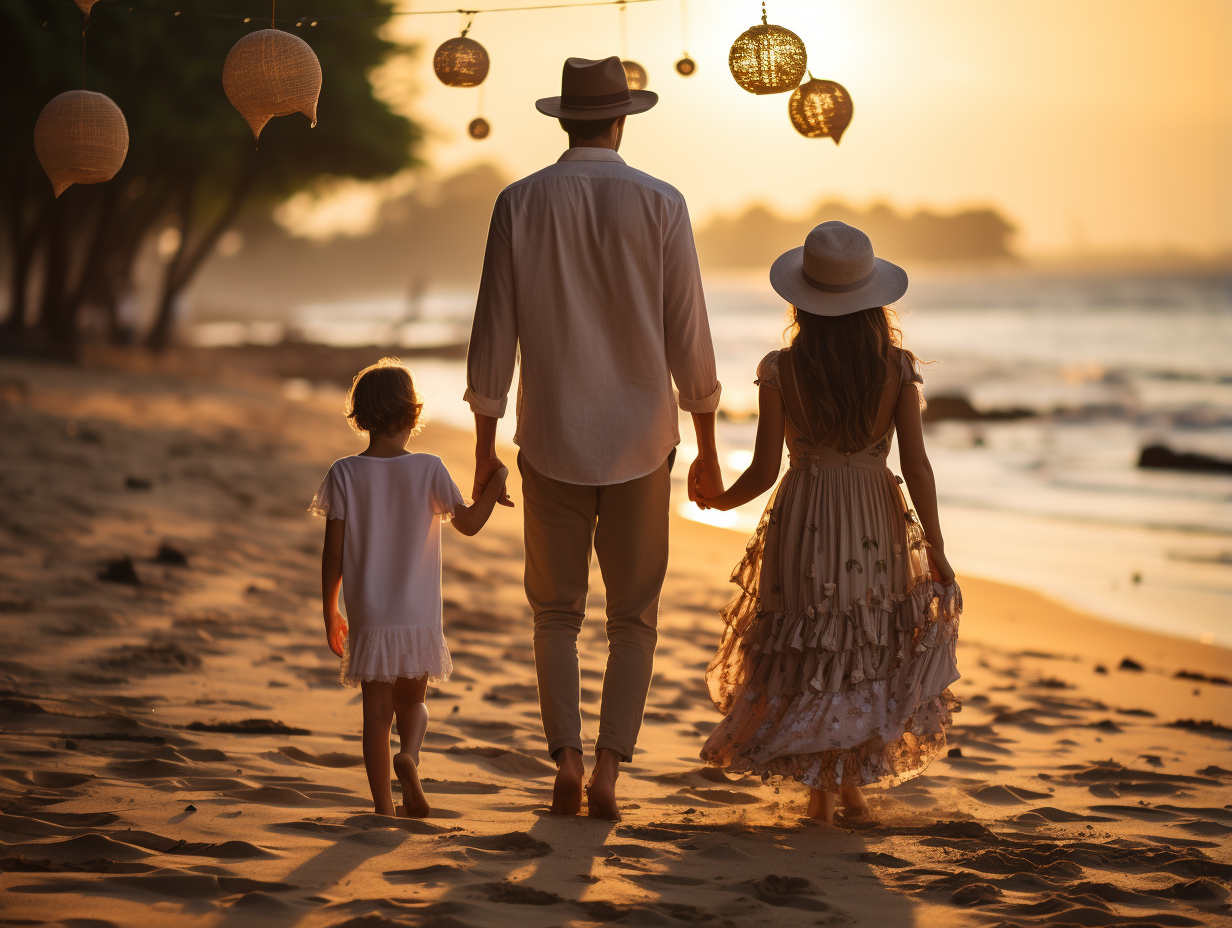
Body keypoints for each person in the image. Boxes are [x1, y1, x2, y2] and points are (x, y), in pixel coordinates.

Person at [464, 56, 723, 819]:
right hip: (644, 440)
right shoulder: (663, 203)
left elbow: (493, 334)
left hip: (551, 438)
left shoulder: (518, 203)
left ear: (563, 121)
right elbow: (690, 339)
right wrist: (707, 445)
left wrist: (484, 447)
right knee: (633, 617)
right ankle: (611, 768)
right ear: (621, 120)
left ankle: (567, 759)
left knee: (555, 614)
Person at [696, 222, 962, 824]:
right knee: (864, 643)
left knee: (811, 643)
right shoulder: (895, 367)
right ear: (873, 303)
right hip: (873, 514)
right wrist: (938, 546)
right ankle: (849, 790)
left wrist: (716, 500)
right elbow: (917, 465)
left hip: (807, 516)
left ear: (803, 303)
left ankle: (821, 791)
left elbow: (764, 469)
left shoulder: (781, 368)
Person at [311, 358, 508, 818]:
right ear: (412, 414)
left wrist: (329, 610)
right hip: (417, 616)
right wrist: (497, 478)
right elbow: (471, 525)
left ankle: (383, 810)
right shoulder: (429, 468)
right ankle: (411, 756)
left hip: (370, 617)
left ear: (359, 417)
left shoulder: (343, 473)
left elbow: (332, 555)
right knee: (413, 703)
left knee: (375, 718)